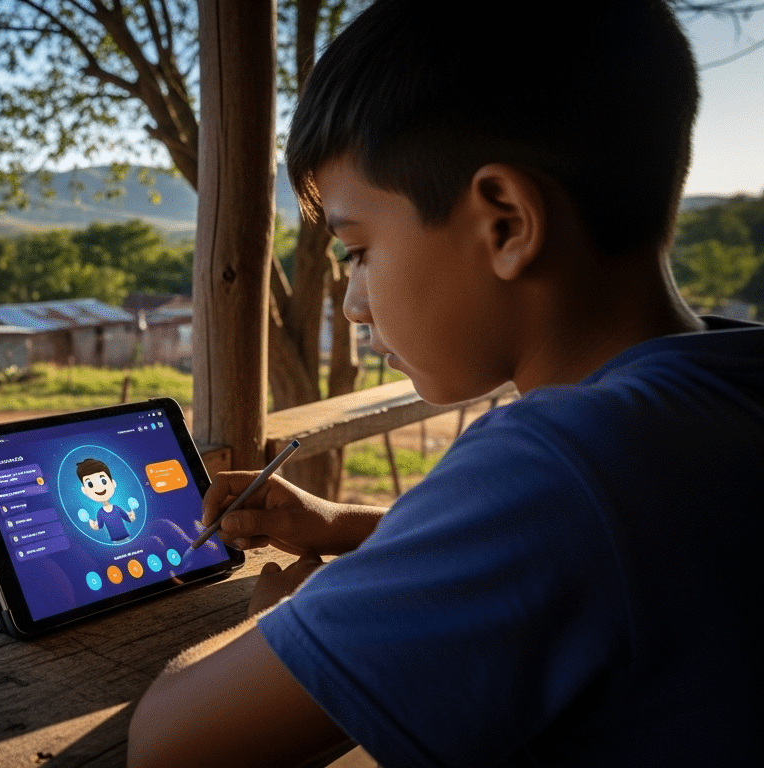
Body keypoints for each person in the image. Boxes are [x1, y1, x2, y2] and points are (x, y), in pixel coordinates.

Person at [128, 0, 764, 765]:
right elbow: (569, 555)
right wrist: (348, 527)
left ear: (506, 224)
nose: (352, 302)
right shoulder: (725, 384)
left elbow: (170, 748)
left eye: (358, 250)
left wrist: (284, 618)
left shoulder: (566, 460)